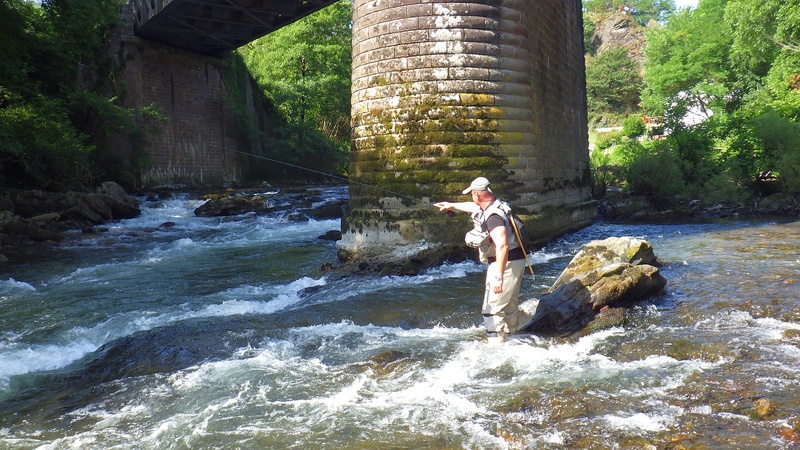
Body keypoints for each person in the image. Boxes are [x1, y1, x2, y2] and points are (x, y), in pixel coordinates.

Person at [434, 177, 530, 345]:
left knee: (492, 309)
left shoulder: (493, 216)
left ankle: (496, 346)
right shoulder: (496, 205)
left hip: (504, 264)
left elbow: (502, 246)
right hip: (516, 261)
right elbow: (473, 207)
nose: (471, 197)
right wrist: (451, 205)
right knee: (508, 306)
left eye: (472, 193)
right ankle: (512, 339)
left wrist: (499, 276)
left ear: (478, 194)